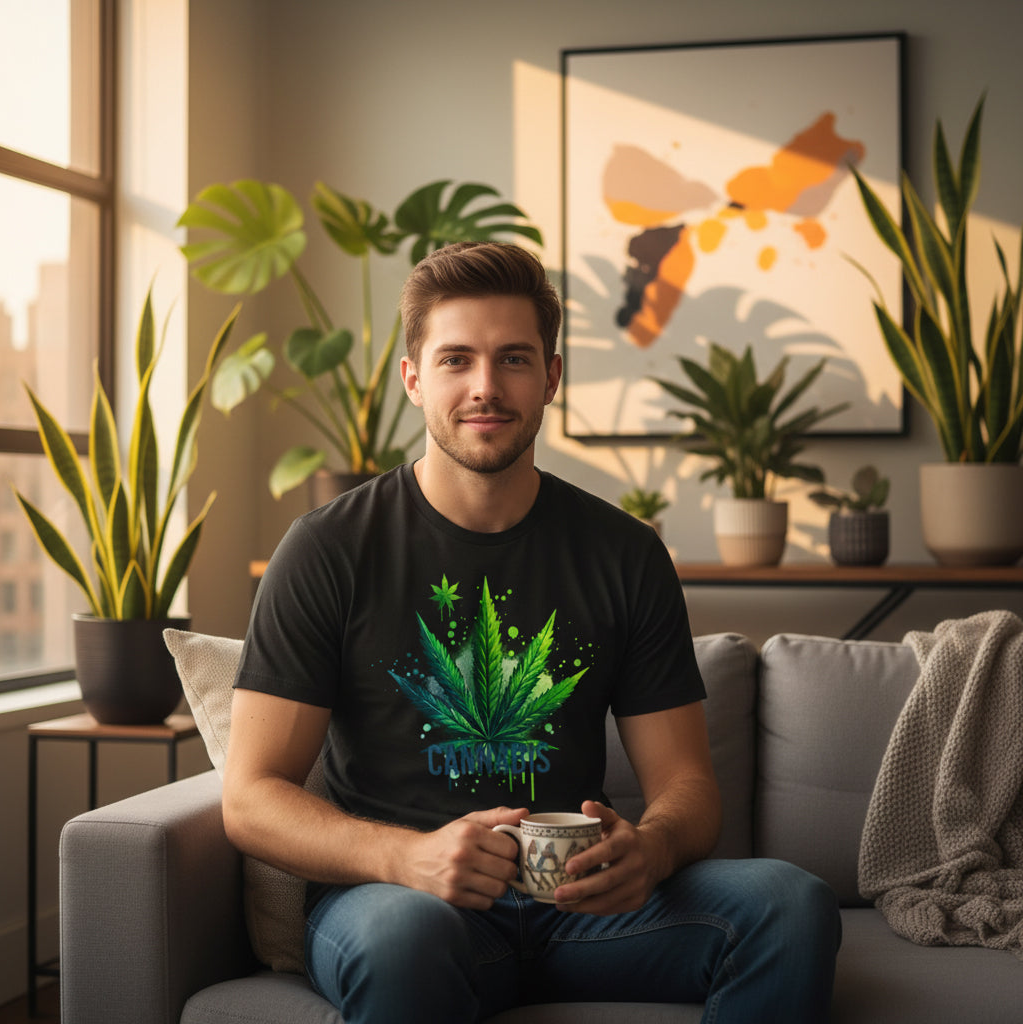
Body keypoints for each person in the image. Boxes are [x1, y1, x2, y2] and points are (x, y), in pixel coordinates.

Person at [222, 241, 841, 1023]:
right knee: (400, 939)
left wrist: (650, 850)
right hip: (400, 902)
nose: (486, 388)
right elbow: (249, 800)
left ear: (550, 377)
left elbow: (689, 786)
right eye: (456, 360)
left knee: (790, 903)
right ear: (413, 379)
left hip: (580, 908)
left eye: (513, 359)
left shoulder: (625, 553)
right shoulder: (327, 549)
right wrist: (404, 856)